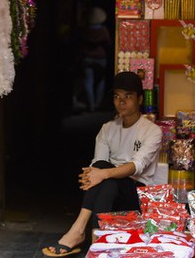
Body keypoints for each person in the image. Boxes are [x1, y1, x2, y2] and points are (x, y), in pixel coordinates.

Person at [42, 72, 162, 257]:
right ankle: (95, 240)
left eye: (128, 96)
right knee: (105, 179)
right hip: (110, 192)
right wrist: (95, 174)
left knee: (105, 177)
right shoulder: (107, 128)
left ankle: (78, 230)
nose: (121, 101)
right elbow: (97, 165)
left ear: (139, 99)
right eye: (117, 96)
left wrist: (102, 174)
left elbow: (137, 166)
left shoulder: (152, 131)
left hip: (137, 195)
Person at [81, 7, 111, 112]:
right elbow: (108, 43)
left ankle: (91, 105)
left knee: (88, 81)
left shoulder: (85, 30)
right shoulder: (103, 30)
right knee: (101, 81)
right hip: (101, 58)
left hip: (87, 57)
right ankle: (98, 103)